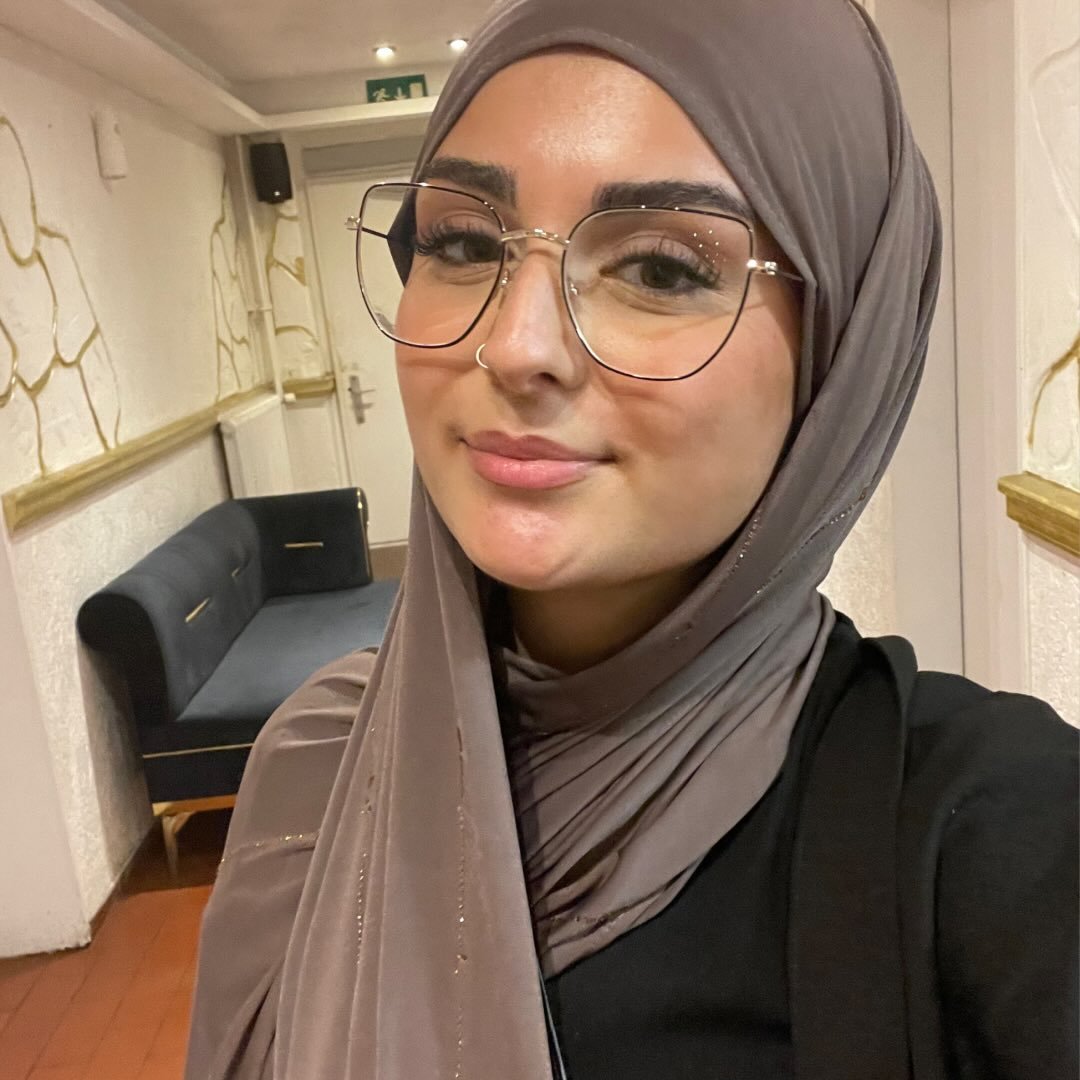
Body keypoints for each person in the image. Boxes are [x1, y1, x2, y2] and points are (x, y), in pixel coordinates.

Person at [185, 1, 1079, 1077]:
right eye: (463, 243)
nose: (516, 345)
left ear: (841, 345)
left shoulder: (984, 828)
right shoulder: (318, 765)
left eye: (660, 269)